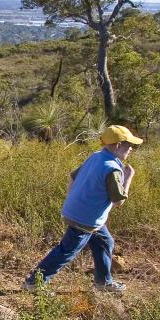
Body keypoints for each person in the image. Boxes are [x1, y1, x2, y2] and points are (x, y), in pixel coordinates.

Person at [23, 125, 142, 293]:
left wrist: (74, 201)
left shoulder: (96, 157)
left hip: (86, 216)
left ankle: (103, 282)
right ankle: (34, 283)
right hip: (85, 220)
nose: (131, 148)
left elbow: (72, 176)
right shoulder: (113, 169)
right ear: (117, 145)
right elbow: (118, 201)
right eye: (128, 144)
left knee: (104, 242)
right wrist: (128, 177)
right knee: (66, 252)